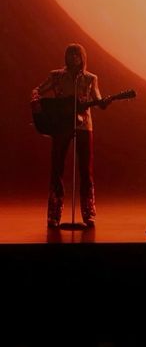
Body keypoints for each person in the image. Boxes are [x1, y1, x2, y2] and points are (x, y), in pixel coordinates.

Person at [32, 43, 105, 227]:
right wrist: (37, 103)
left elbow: (98, 100)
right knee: (57, 168)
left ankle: (89, 214)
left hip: (84, 125)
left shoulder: (90, 79)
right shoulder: (56, 76)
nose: (74, 58)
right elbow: (37, 90)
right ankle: (54, 214)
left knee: (86, 170)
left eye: (77, 55)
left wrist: (104, 103)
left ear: (83, 57)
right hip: (61, 125)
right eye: (70, 55)